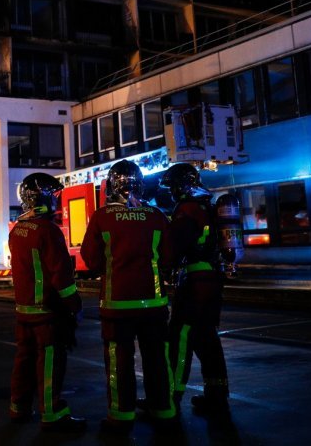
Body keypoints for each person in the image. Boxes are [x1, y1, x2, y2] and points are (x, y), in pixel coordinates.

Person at [81, 160, 178, 434]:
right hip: (154, 305)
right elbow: (169, 257)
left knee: (119, 362)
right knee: (157, 359)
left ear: (112, 185)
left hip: (117, 305)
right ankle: (164, 410)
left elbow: (90, 260)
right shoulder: (157, 216)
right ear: (140, 183)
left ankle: (121, 416)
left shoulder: (102, 217)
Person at [9, 173, 85, 433]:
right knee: (50, 362)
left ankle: (18, 407)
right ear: (41, 197)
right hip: (47, 312)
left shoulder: (18, 228)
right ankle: (52, 413)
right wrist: (74, 305)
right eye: (53, 195)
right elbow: (61, 274)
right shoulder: (48, 230)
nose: (56, 200)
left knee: (24, 359)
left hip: (24, 310)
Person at [159, 163, 230, 416]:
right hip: (211, 281)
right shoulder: (207, 206)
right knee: (208, 340)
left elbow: (171, 248)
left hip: (195, 285)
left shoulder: (187, 210)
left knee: (180, 338)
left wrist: (161, 266)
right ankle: (217, 396)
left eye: (172, 188)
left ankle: (170, 396)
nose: (171, 193)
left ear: (181, 186)